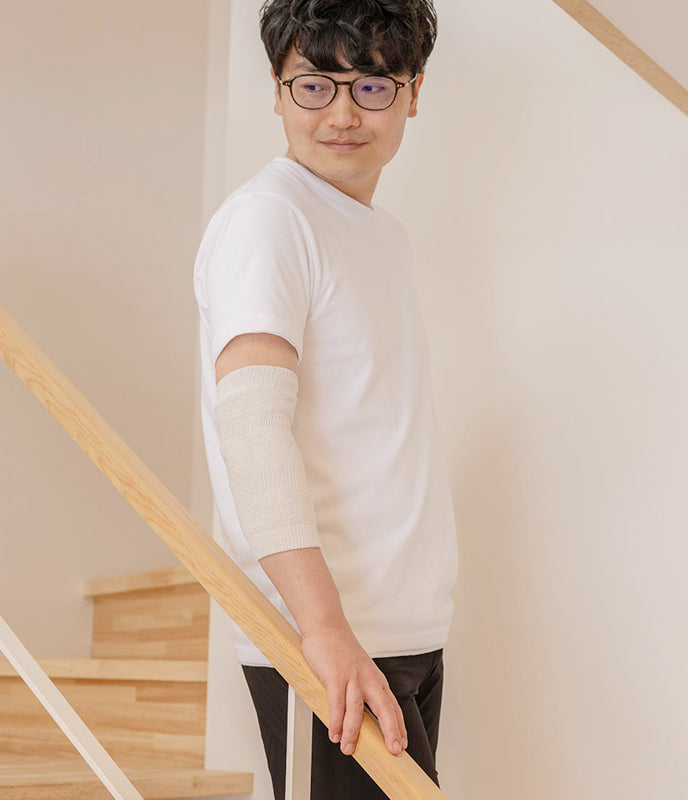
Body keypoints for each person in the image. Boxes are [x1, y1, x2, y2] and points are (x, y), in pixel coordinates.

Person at [192, 1, 458, 797]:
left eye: (372, 85)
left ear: (413, 93)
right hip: (333, 640)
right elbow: (253, 428)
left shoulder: (381, 234)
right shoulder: (270, 220)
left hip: (405, 628)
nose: (342, 115)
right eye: (314, 86)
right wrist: (324, 629)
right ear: (277, 92)